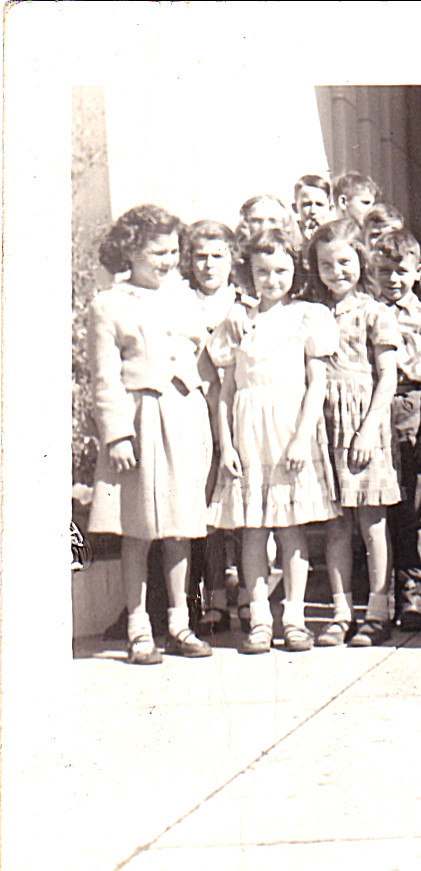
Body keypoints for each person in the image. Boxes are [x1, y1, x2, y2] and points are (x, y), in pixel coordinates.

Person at [87, 205, 217, 664]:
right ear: (131, 251)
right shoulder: (109, 304)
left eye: (172, 251)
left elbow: (202, 356)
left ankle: (180, 622)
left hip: (183, 416)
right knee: (137, 529)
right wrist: (117, 433)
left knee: (182, 526)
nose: (168, 260)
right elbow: (104, 378)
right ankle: (139, 626)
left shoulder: (184, 297)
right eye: (157, 251)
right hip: (139, 423)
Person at [207, 227, 338, 654]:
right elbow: (225, 393)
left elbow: (316, 384)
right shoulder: (237, 319)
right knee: (252, 529)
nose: (271, 279)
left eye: (281, 270)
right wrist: (226, 445)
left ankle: (295, 618)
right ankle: (260, 618)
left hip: (287, 435)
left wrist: (302, 438)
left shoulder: (307, 316)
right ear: (249, 273)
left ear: (294, 271)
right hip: (248, 436)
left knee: (290, 528)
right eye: (262, 271)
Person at [306, 219, 402, 647]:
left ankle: (379, 611)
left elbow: (388, 377)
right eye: (326, 264)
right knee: (335, 525)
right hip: (325, 422)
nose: (336, 271)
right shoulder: (312, 312)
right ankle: (341, 612)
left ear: (361, 261)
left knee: (372, 521)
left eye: (344, 261)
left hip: (364, 422)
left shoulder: (375, 312)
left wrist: (366, 431)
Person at [371, 228, 421, 631]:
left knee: (417, 504)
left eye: (400, 270)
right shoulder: (368, 311)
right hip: (373, 410)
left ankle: (415, 593)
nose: (392, 278)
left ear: (417, 271)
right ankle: (381, 594)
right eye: (383, 270)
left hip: (412, 406)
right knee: (379, 505)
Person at [180, 219, 241, 637]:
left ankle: (251, 598)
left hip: (238, 416)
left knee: (239, 510)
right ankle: (212, 599)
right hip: (193, 415)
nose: (208, 264)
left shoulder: (244, 304)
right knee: (206, 513)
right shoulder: (179, 303)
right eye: (200, 256)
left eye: (217, 255)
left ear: (232, 258)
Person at [292, 174, 333, 240]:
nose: (313, 211)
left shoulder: (337, 236)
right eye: (307, 204)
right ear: (295, 208)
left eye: (319, 204)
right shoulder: (288, 238)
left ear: (330, 207)